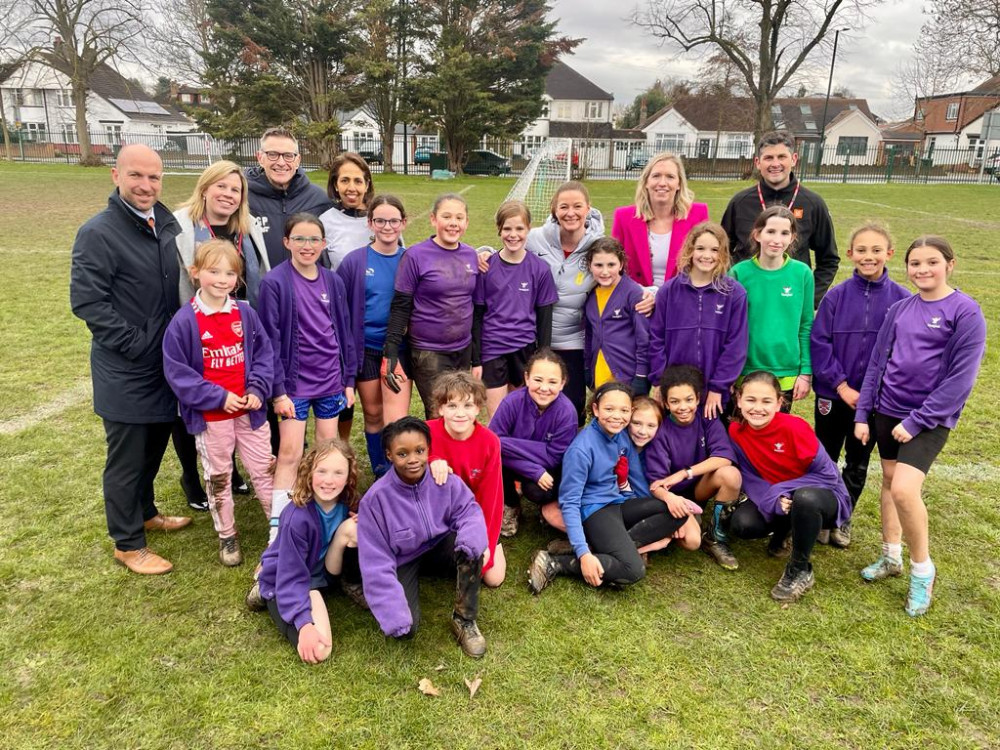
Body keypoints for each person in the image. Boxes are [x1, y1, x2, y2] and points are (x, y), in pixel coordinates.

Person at [70, 143, 191, 575]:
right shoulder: (99, 232)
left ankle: (145, 512)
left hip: (164, 364)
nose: (145, 185)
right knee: (127, 457)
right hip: (127, 367)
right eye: (136, 176)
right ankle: (127, 543)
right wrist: (137, 343)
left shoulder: (167, 223)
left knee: (153, 448)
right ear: (115, 176)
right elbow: (88, 303)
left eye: (154, 177)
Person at [854, 236, 986, 617]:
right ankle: (890, 556)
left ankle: (922, 570)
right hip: (887, 412)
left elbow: (961, 380)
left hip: (927, 418)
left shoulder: (965, 312)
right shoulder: (899, 309)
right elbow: (877, 365)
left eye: (931, 262)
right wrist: (864, 414)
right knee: (889, 483)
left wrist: (917, 421)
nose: (923, 270)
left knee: (906, 490)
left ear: (950, 264)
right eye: (915, 263)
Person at [162, 240, 275, 566]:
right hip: (212, 417)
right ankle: (227, 534)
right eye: (214, 271)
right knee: (219, 475)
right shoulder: (185, 322)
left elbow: (264, 355)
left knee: (264, 470)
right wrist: (218, 397)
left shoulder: (245, 313)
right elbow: (178, 373)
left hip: (250, 413)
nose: (222, 279)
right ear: (195, 273)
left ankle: (279, 531)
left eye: (230, 273)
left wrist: (257, 388)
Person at [172, 159, 271, 511]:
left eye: (235, 189)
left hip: (242, 323)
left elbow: (259, 270)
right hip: (201, 326)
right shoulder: (183, 224)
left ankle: (236, 473)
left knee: (242, 403)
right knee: (198, 406)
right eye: (222, 187)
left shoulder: (244, 226)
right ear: (205, 187)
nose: (228, 195)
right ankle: (193, 477)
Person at [526, 382, 692, 595]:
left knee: (678, 511)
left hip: (617, 503)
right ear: (595, 409)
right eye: (609, 409)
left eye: (623, 411)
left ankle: (607, 548)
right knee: (633, 570)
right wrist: (584, 554)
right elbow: (570, 504)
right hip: (595, 511)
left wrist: (667, 496)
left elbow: (633, 477)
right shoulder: (581, 449)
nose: (617, 416)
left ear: (630, 412)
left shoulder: (620, 434)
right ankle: (554, 562)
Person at [258, 213, 357, 545]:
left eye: (314, 239)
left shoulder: (333, 281)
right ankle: (279, 529)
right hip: (293, 387)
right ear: (286, 242)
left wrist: (348, 380)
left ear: (324, 244)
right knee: (289, 453)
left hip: (330, 381)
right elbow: (269, 340)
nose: (307, 245)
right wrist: (278, 390)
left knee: (326, 454)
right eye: (299, 239)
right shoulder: (275, 282)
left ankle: (326, 522)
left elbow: (344, 333)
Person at [810, 222, 909, 548]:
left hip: (874, 403)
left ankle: (842, 517)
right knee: (825, 455)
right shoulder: (836, 296)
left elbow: (905, 352)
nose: (869, 257)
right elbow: (820, 343)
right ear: (851, 254)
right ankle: (822, 516)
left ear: (889, 254)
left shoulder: (902, 301)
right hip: (833, 394)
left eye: (876, 250)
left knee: (858, 460)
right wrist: (841, 386)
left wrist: (871, 395)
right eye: (862, 250)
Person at [357, 417, 489, 658]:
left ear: (428, 449)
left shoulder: (445, 480)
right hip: (404, 559)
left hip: (440, 546)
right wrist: (392, 610)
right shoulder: (375, 500)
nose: (413, 460)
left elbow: (469, 511)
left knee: (472, 546)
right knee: (404, 630)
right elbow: (375, 559)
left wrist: (472, 538)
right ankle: (370, 591)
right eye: (402, 454)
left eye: (419, 451)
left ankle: (464, 619)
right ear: (389, 455)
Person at [521, 182, 653, 422]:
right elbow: (510, 247)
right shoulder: (535, 239)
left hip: (574, 342)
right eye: (564, 206)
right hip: (539, 336)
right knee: (537, 403)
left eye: (577, 206)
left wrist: (653, 294)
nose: (570, 212)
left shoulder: (597, 245)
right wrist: (485, 252)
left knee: (573, 409)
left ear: (588, 209)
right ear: (554, 210)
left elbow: (620, 281)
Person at [727, 371, 852, 603]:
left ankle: (799, 568)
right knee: (743, 525)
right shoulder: (736, 432)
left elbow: (827, 475)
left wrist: (783, 491)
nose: (757, 408)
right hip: (781, 497)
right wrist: (774, 499)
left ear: (778, 403)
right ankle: (784, 530)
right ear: (739, 400)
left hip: (823, 495)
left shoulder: (795, 428)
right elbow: (749, 476)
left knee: (805, 499)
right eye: (751, 400)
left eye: (766, 401)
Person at [256, 440, 361, 663]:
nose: (329, 480)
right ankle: (265, 592)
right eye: (321, 471)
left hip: (324, 572)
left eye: (338, 472)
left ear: (348, 476)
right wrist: (304, 624)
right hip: (292, 578)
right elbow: (291, 575)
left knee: (356, 528)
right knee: (321, 650)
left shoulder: (348, 501)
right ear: (309, 472)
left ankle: (349, 585)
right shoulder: (297, 517)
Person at [382, 194, 478, 418]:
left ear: (466, 223)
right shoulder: (416, 255)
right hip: (429, 352)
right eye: (446, 216)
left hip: (463, 350)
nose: (453, 223)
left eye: (459, 217)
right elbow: (400, 306)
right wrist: (391, 351)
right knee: (440, 413)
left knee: (460, 412)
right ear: (433, 220)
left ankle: (456, 454)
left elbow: (474, 304)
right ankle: (438, 454)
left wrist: (477, 354)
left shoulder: (471, 255)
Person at [337, 195, 412, 478]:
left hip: (400, 349)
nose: (387, 226)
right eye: (380, 220)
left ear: (403, 223)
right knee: (373, 413)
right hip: (366, 348)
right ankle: (381, 469)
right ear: (370, 224)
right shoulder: (355, 261)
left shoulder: (411, 258)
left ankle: (399, 471)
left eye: (393, 220)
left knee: (396, 418)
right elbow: (341, 308)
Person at [721, 130, 838, 305]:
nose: (775, 164)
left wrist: (810, 299)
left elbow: (828, 259)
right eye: (768, 158)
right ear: (758, 162)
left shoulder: (813, 203)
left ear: (794, 159)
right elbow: (722, 251)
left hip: (790, 299)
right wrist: (733, 290)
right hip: (747, 299)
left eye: (782, 157)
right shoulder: (740, 202)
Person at [645, 366, 742, 569]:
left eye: (688, 400)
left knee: (731, 475)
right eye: (675, 401)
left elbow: (724, 457)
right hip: (673, 497)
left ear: (698, 398)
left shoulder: (707, 418)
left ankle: (716, 537)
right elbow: (656, 484)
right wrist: (672, 500)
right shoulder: (660, 430)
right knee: (691, 541)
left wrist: (685, 473)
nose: (683, 407)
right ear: (665, 403)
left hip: (699, 489)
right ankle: (665, 528)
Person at [648, 221, 748, 419]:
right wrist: (660, 381)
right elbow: (656, 339)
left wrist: (719, 386)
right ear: (690, 250)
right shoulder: (669, 291)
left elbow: (736, 345)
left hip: (714, 391)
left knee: (711, 442)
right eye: (700, 248)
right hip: (677, 392)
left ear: (723, 254)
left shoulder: (734, 293)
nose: (706, 255)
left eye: (714, 250)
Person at [473, 200, 559, 419]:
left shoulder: (539, 269)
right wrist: (477, 358)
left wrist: (543, 357)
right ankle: (498, 452)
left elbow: (544, 317)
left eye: (519, 228)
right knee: (497, 415)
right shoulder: (487, 267)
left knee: (521, 413)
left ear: (528, 229)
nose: (513, 235)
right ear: (499, 230)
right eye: (507, 229)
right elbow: (478, 315)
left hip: (525, 349)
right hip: (493, 350)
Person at [730, 206, 813, 410]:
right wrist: (729, 371)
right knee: (741, 435)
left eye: (784, 233)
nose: (777, 239)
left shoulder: (802, 274)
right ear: (757, 234)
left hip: (786, 371)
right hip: (745, 369)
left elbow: (806, 324)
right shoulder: (739, 273)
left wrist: (805, 372)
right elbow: (729, 328)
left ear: (792, 237)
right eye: (770, 231)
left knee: (776, 436)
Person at [427, 372, 505, 588]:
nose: (460, 414)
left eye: (468, 406)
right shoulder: (426, 432)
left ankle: (497, 543)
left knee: (493, 578)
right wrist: (431, 459)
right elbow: (404, 467)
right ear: (441, 409)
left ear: (478, 408)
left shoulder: (490, 442)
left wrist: (486, 543)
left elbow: (491, 500)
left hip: (472, 515)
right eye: (452, 406)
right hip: (437, 515)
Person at [490, 348, 577, 539]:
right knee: (491, 461)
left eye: (552, 382)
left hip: (550, 467)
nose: (544, 388)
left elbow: (554, 456)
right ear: (527, 378)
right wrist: (533, 470)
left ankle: (546, 507)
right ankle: (511, 504)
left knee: (539, 491)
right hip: (516, 464)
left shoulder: (567, 413)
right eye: (538, 380)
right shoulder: (512, 402)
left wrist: (508, 443)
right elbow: (492, 442)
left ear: (562, 383)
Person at [611, 152, 710, 290]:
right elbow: (613, 267)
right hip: (637, 301)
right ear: (646, 182)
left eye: (670, 177)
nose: (662, 183)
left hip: (681, 299)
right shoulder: (624, 217)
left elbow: (706, 266)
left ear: (679, 184)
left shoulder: (698, 215)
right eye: (656, 176)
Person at [245, 127, 332, 268]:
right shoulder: (243, 199)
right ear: (260, 157)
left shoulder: (320, 200)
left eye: (288, 156)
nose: (281, 162)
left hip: (306, 288)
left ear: (297, 160)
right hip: (261, 288)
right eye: (272, 154)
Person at [583, 237, 649, 394]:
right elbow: (589, 336)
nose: (605, 271)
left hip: (626, 374)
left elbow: (643, 338)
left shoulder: (633, 293)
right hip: (600, 372)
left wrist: (641, 375)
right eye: (598, 265)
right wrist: (587, 367)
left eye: (611, 265)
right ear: (590, 265)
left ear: (621, 264)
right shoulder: (591, 295)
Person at [319, 151, 376, 271]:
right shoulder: (325, 222)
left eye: (358, 181)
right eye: (345, 180)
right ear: (336, 184)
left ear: (366, 185)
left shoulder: (382, 219)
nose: (351, 188)